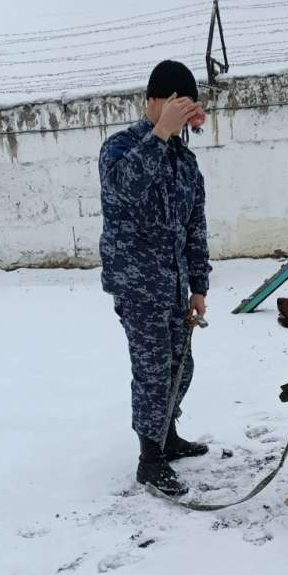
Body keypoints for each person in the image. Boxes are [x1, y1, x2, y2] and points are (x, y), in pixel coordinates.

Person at [98, 60, 213, 497]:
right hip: (137, 284)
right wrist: (160, 132)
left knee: (181, 367)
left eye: (187, 105)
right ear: (154, 101)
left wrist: (199, 285)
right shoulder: (121, 147)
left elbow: (194, 226)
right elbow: (123, 190)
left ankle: (167, 435)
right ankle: (150, 459)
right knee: (153, 371)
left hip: (175, 284)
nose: (182, 112)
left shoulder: (186, 162)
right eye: (174, 102)